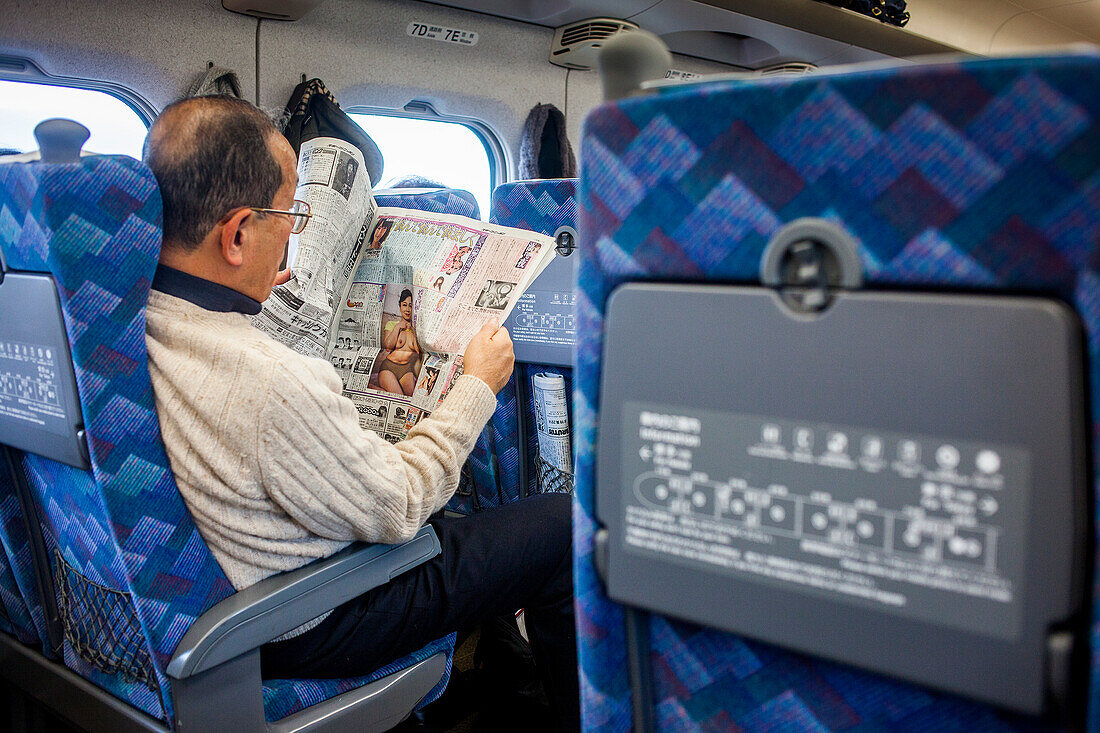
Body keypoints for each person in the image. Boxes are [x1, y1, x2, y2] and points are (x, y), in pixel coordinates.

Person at [142, 95, 578, 732]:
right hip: (317, 606)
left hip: (239, 585)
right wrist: (476, 388)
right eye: (285, 219)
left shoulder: (143, 319)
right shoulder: (268, 380)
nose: (289, 247)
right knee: (563, 528)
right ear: (236, 233)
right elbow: (400, 505)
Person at [378, 288, 420, 396]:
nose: (407, 309)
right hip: (389, 367)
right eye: (404, 305)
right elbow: (388, 346)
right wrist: (398, 327)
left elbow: (419, 352)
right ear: (400, 306)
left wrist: (413, 331)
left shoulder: (416, 329)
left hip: (406, 368)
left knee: (411, 396)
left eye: (410, 306)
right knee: (398, 395)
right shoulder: (392, 324)